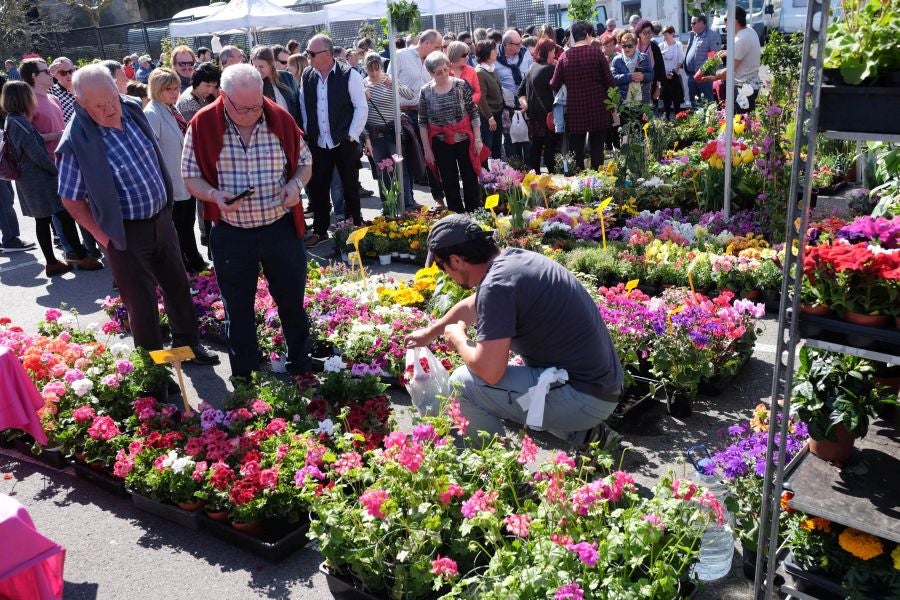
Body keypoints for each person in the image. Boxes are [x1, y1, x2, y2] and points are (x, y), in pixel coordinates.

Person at [404, 214, 624, 447]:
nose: (443, 272)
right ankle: (588, 437)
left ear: (457, 261)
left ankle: (496, 463)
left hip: (584, 396)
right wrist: (431, 332)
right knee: (516, 376)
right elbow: (473, 306)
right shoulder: (513, 261)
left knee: (463, 385)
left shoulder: (497, 285)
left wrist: (459, 340)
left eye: (441, 265)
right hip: (601, 386)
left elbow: (490, 372)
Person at [56, 65, 218, 365]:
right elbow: (71, 199)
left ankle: (189, 345)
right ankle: (156, 369)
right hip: (124, 234)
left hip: (160, 220)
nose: (109, 109)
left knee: (178, 286)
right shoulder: (77, 138)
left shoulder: (131, 108)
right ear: (81, 103)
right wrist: (102, 235)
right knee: (141, 305)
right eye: (99, 106)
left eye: (111, 100)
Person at [182, 64, 315, 386]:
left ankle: (301, 365)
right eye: (243, 107)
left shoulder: (278, 118)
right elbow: (189, 176)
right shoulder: (202, 124)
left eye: (257, 105)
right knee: (237, 308)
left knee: (292, 302)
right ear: (223, 96)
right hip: (231, 233)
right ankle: (244, 376)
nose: (252, 113)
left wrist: (295, 187)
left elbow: (306, 164)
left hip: (279, 229)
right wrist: (214, 195)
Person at [1, 81, 98, 275]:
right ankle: (78, 256)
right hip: (38, 179)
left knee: (44, 220)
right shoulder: (19, 122)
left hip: (29, 179)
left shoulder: (12, 120)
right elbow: (36, 153)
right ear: (23, 98)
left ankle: (55, 261)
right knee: (64, 215)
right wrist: (56, 171)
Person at [299, 34, 368, 247]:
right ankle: (321, 230)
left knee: (350, 185)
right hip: (318, 142)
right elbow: (304, 106)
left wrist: (351, 135)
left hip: (344, 141)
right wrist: (308, 132)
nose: (307, 57)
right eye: (307, 53)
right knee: (319, 187)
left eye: (311, 53)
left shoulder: (350, 74)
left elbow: (360, 106)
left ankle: (353, 225)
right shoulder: (307, 75)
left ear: (327, 54)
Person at [144, 68, 206, 274]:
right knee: (179, 227)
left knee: (187, 225)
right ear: (156, 89)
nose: (174, 93)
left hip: (183, 179)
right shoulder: (153, 113)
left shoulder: (171, 108)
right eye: (168, 89)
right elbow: (150, 152)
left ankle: (193, 259)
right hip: (170, 181)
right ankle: (185, 263)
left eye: (177, 88)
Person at [418, 51, 483, 214]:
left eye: (446, 69)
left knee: (470, 177)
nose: (444, 74)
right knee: (449, 180)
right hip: (441, 142)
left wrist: (478, 138)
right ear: (431, 73)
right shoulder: (425, 91)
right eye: (438, 72)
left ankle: (475, 213)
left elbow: (474, 113)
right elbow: (423, 122)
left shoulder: (460, 85)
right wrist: (427, 149)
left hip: (464, 139)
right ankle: (457, 216)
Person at [550, 21, 615, 172]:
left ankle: (578, 181)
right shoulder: (596, 53)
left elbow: (554, 84)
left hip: (576, 110)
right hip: (598, 107)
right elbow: (610, 82)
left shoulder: (564, 56)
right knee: (597, 148)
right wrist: (612, 105)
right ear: (587, 34)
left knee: (576, 149)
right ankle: (598, 180)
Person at [361, 52, 417, 214]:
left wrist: (394, 85)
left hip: (393, 134)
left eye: (377, 69)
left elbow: (411, 95)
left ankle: (406, 205)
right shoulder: (363, 85)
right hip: (376, 136)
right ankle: (387, 207)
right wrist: (366, 138)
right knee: (382, 171)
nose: (375, 73)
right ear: (366, 69)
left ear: (381, 67)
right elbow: (361, 114)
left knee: (400, 168)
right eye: (371, 70)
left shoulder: (389, 79)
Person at [396, 29, 445, 207]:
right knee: (409, 157)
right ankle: (409, 201)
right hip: (406, 114)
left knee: (432, 154)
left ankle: (439, 198)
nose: (440, 50)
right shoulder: (401, 56)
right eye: (438, 46)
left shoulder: (434, 61)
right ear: (427, 44)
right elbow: (390, 81)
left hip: (428, 112)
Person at [701, 7, 761, 114]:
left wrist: (715, 77)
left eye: (726, 19)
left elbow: (730, 71)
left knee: (740, 125)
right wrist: (728, 52)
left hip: (742, 89)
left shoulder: (741, 39)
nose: (724, 22)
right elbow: (745, 52)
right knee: (745, 123)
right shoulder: (750, 31)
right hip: (750, 85)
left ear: (735, 20)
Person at [517, 38, 560, 173]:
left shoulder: (530, 68)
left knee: (536, 147)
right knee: (550, 148)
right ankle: (553, 176)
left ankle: (534, 177)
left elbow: (520, 92)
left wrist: (526, 105)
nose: (554, 55)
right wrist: (558, 65)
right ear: (547, 52)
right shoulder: (551, 69)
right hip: (547, 117)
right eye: (553, 52)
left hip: (534, 117)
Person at [494, 29, 533, 161]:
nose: (521, 45)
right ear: (507, 45)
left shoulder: (525, 53)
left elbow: (531, 73)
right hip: (507, 104)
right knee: (510, 137)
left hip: (525, 100)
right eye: (518, 43)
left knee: (528, 136)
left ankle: (530, 169)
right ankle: (515, 169)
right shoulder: (495, 57)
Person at [250, 45, 300, 125]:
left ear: (272, 64)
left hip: (292, 128)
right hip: (271, 133)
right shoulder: (255, 84)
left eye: (261, 66)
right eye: (255, 66)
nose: (257, 70)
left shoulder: (287, 77)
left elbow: (298, 103)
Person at [474, 40, 503, 161]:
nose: (496, 52)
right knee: (487, 146)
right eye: (493, 50)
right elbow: (481, 99)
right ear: (487, 53)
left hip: (498, 112)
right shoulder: (480, 72)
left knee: (497, 146)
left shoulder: (492, 68)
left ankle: (499, 173)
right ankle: (486, 175)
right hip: (487, 116)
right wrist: (490, 118)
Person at [683, 15, 721, 104]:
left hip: (704, 77)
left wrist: (703, 74)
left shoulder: (712, 36)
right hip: (691, 76)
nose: (691, 25)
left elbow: (714, 59)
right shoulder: (693, 35)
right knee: (694, 104)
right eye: (691, 23)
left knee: (707, 103)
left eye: (693, 23)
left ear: (702, 23)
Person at [634, 19, 665, 107]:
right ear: (639, 33)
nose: (648, 35)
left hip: (652, 87)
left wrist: (658, 89)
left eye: (650, 32)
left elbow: (660, 69)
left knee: (649, 115)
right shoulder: (634, 46)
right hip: (635, 87)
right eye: (645, 32)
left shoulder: (654, 47)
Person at [659, 25, 686, 119]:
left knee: (676, 100)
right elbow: (659, 62)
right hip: (664, 77)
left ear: (672, 34)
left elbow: (680, 60)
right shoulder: (661, 46)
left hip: (674, 76)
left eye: (666, 34)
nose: (665, 37)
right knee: (666, 101)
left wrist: (673, 72)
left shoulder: (678, 44)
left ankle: (678, 119)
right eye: (664, 35)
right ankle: (667, 119)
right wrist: (665, 74)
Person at [447, 41, 481, 106]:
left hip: (469, 112)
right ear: (455, 55)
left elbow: (478, 92)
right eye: (464, 55)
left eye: (467, 54)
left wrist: (468, 103)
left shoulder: (471, 70)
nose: (467, 57)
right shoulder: (444, 72)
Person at [48, 58, 77, 124]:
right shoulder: (51, 91)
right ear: (55, 74)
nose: (68, 75)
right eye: (63, 73)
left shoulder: (83, 87)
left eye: (70, 71)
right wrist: (49, 72)